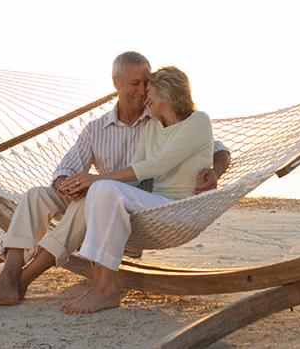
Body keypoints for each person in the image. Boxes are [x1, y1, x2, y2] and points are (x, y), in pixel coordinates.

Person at [0, 53, 230, 306]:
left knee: (92, 195)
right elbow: (66, 168)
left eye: (146, 85)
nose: (142, 92)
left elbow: (216, 149)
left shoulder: (158, 119)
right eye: (135, 83)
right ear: (117, 83)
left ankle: (22, 281)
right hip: (99, 193)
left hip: (127, 206)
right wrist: (66, 186)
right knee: (36, 195)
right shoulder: (97, 129)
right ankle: (8, 277)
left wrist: (215, 173)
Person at [58, 66, 212, 314]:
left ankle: (104, 290)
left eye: (149, 90)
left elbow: (156, 165)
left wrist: (98, 180)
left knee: (103, 186)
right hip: (155, 204)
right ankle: (101, 286)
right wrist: (93, 190)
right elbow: (134, 172)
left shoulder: (199, 122)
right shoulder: (152, 126)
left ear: (166, 91)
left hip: (183, 210)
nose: (144, 96)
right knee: (103, 191)